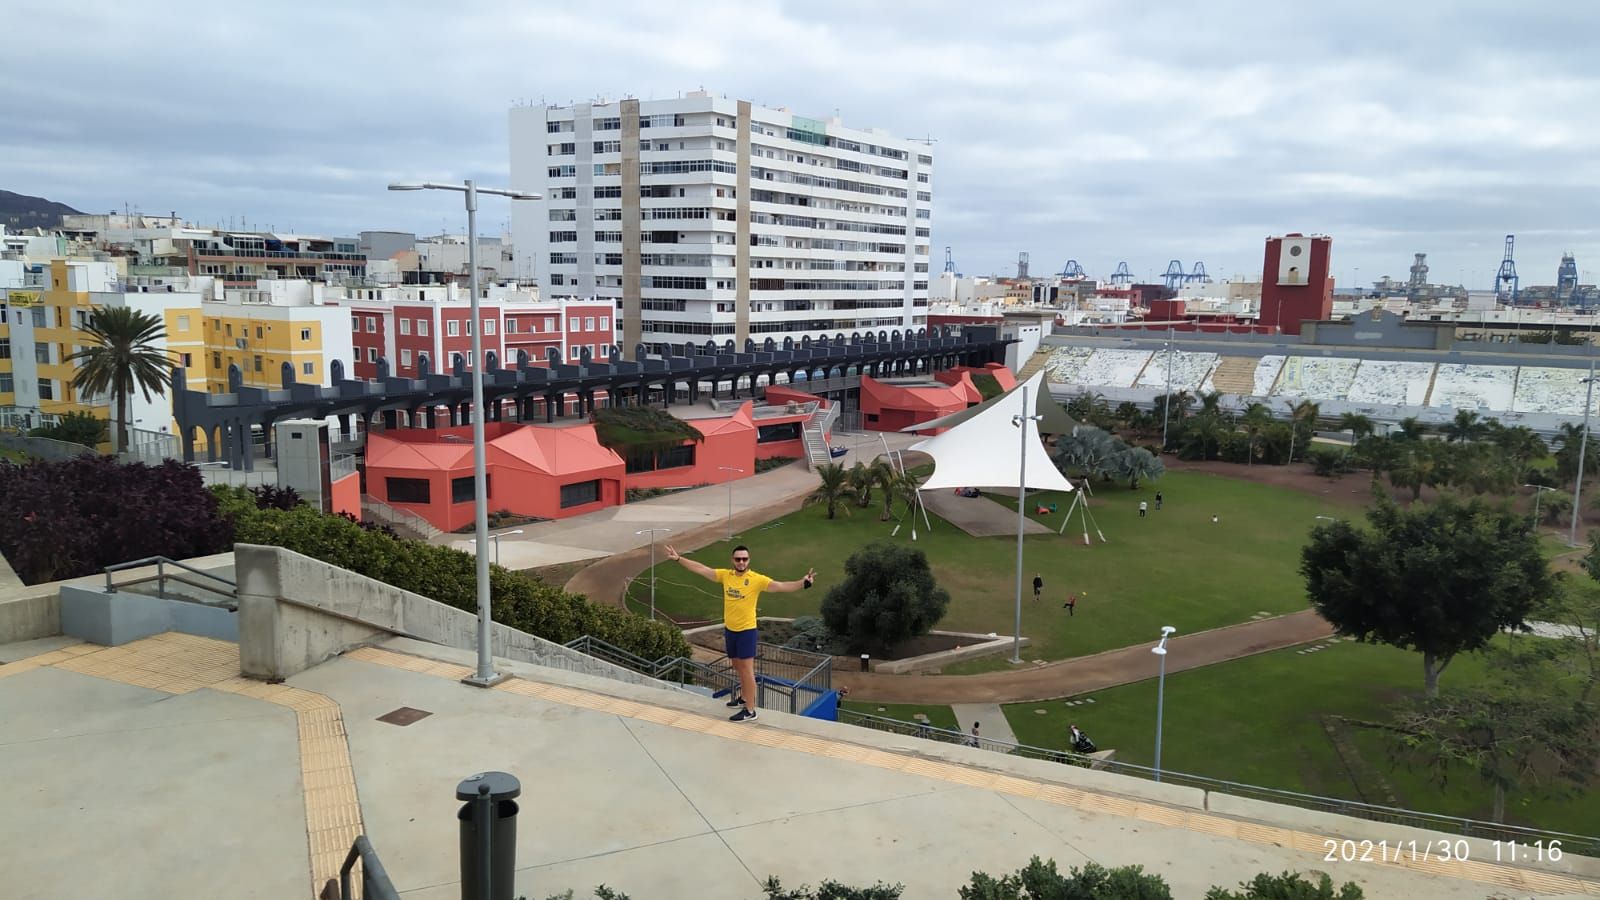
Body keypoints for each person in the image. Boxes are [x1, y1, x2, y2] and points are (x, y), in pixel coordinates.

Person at [666, 544, 815, 722]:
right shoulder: (725, 576)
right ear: (733, 560)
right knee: (737, 667)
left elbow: (781, 586)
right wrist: (678, 559)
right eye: (738, 559)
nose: (741, 562)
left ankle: (750, 710)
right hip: (731, 630)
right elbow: (701, 569)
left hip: (747, 631)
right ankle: (744, 697)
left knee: (746, 671)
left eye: (744, 559)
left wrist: (803, 583)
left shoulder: (756, 579)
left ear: (749, 560)